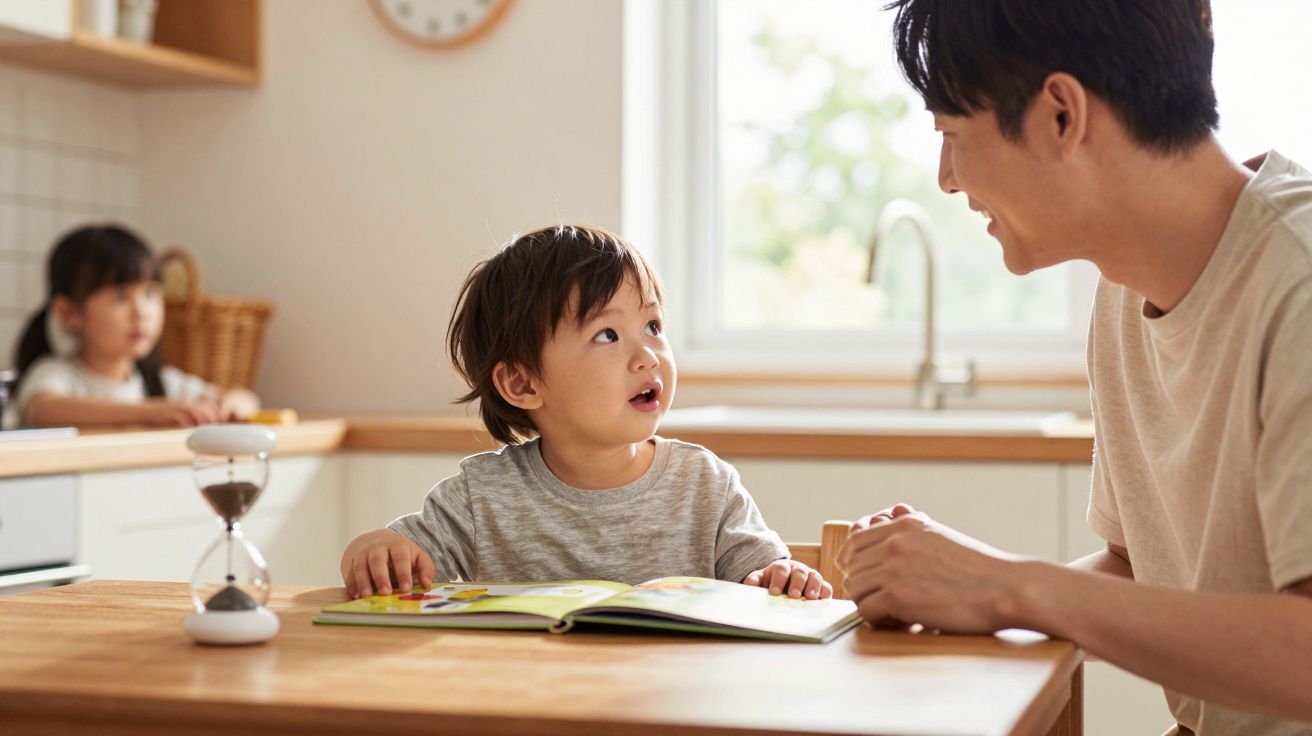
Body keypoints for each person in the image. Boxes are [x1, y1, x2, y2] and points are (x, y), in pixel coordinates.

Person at [837, 0, 1312, 732]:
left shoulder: (1298, 282)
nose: (946, 178)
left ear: (1061, 115)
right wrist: (956, 591)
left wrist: (1004, 586)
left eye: (951, 134)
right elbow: (1133, 566)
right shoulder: (1124, 291)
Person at [340, 225, 831, 601]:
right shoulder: (481, 496)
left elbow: (763, 580)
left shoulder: (705, 484)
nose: (648, 355)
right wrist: (373, 551)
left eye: (654, 325)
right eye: (607, 335)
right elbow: (396, 557)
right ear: (522, 383)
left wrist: (781, 576)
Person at [8, 225, 260, 429]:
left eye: (150, 293)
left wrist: (228, 406)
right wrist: (152, 412)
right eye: (120, 296)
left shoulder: (159, 382)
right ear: (68, 313)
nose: (141, 313)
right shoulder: (55, 374)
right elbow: (43, 409)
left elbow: (246, 399)